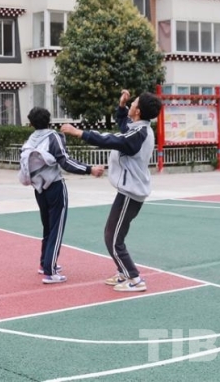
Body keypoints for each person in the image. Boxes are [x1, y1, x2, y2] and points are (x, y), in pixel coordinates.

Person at [61, 90, 162, 292]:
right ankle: (124, 272)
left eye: (134, 102)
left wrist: (79, 132)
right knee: (114, 234)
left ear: (138, 111)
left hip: (131, 192)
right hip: (129, 190)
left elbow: (110, 139)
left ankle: (135, 279)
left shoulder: (138, 134)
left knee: (112, 238)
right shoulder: (138, 129)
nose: (131, 103)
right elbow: (124, 126)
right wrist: (122, 106)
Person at [21, 107, 104, 284]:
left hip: (39, 188)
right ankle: (50, 271)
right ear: (49, 120)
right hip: (55, 186)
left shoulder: (31, 140)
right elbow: (65, 161)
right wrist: (89, 169)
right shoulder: (53, 137)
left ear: (31, 123)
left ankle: (44, 263)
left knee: (47, 227)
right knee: (56, 228)